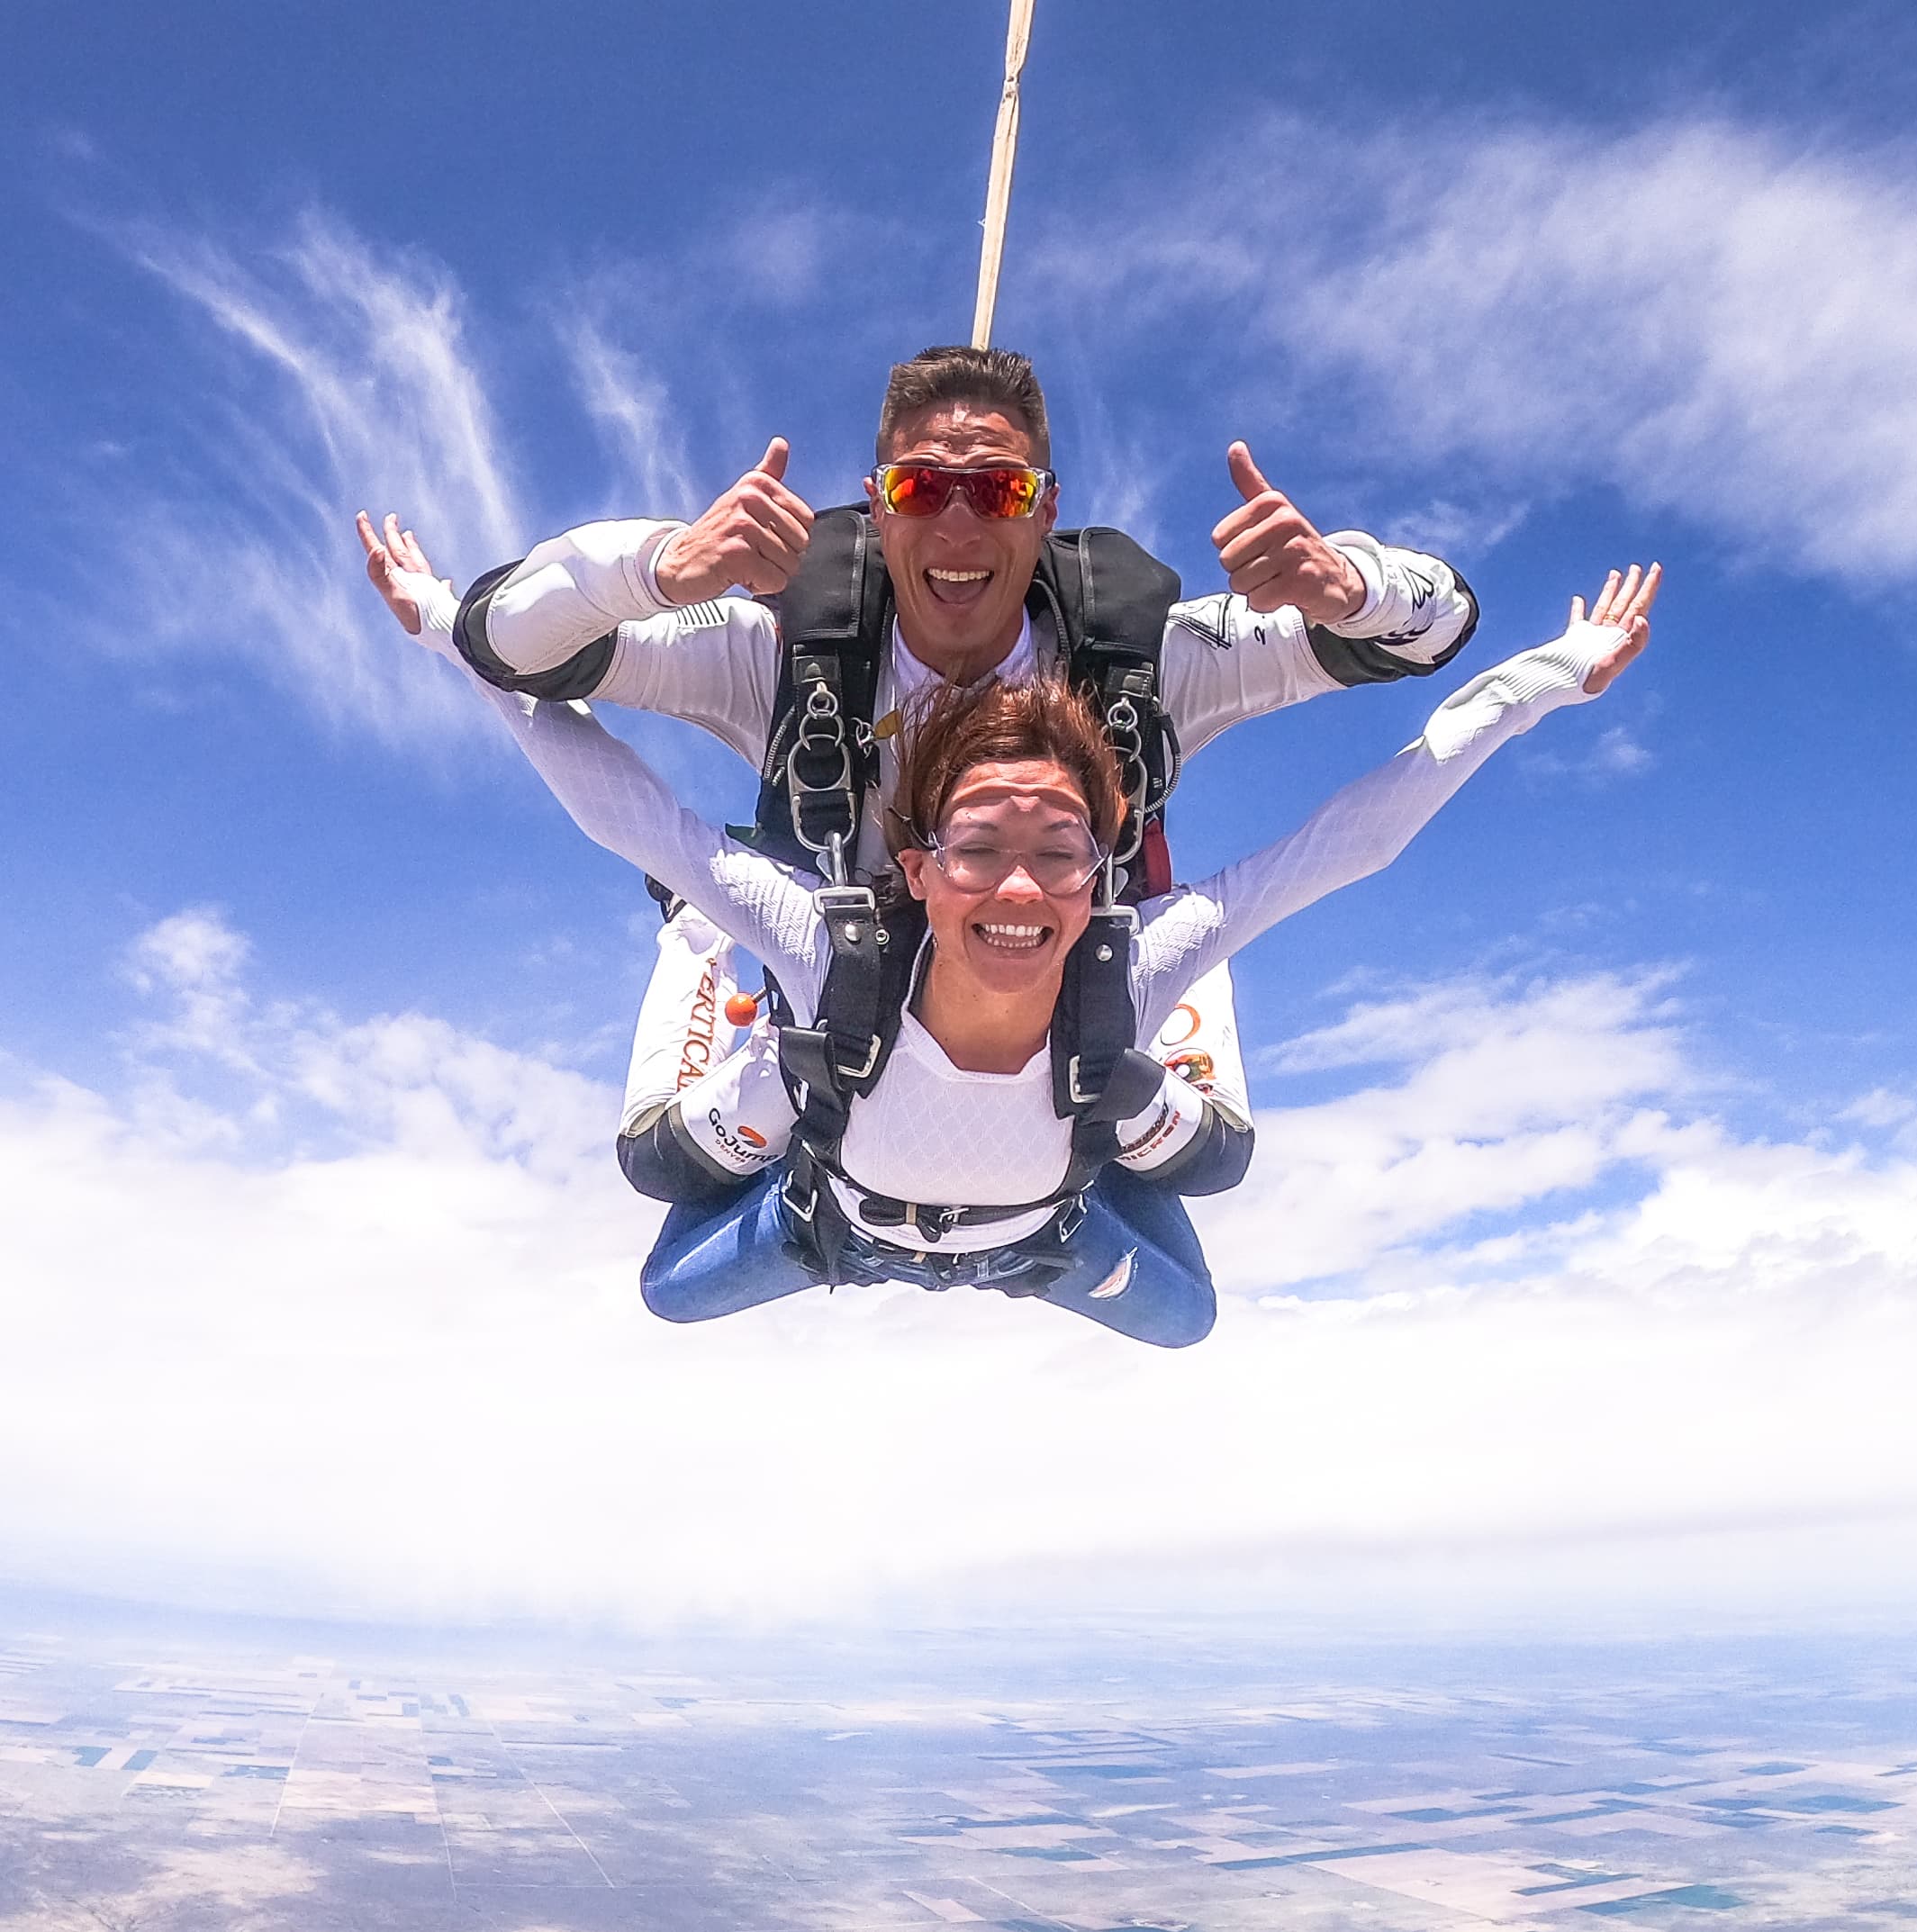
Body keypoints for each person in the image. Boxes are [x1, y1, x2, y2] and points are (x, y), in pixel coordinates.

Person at [365, 537, 1659, 1349]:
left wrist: (1552, 674)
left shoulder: (1133, 956)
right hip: (839, 1223)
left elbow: (1362, 832)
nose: (1022, 887)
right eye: (979, 846)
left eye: (1061, 850)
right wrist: (442, 623)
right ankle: (702, 955)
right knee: (663, 1235)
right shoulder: (830, 948)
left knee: (1196, 1277)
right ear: (917, 869)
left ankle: (1127, 1100)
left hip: (1043, 1233)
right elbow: (619, 805)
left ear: (1101, 870)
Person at [369, 346, 1481, 1210]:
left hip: (1070, 997)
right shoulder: (779, 658)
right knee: (667, 1169)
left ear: (1045, 509)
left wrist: (1351, 591)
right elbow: (510, 645)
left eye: (997, 490)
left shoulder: (1144, 665)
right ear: (877, 501)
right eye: (921, 486)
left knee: (1205, 1164)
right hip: (835, 991)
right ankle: (729, 992)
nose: (956, 520)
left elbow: (1435, 630)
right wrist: (659, 569)